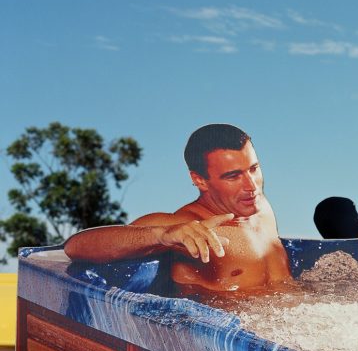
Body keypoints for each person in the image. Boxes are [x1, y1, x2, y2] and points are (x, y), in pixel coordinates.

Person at [63, 124, 291, 293]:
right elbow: (75, 247)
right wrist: (162, 235)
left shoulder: (259, 206)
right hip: (231, 343)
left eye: (253, 169)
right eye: (233, 176)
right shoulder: (184, 225)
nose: (251, 185)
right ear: (200, 180)